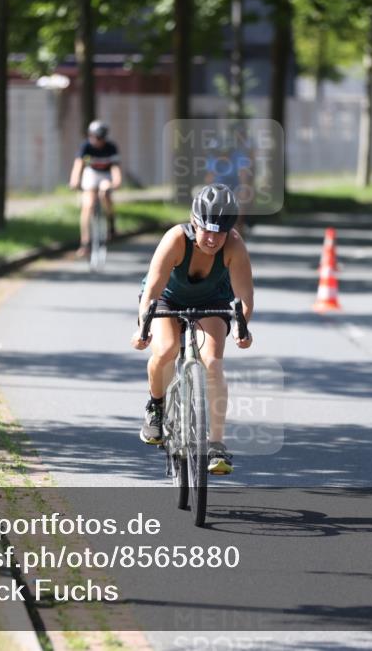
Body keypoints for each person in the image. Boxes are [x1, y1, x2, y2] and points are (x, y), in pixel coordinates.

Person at [131, 184, 254, 475]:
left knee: (212, 361)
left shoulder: (234, 246)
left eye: (220, 232)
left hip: (213, 301)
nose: (213, 239)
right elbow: (151, 292)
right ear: (194, 222)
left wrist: (241, 328)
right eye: (207, 230)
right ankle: (156, 406)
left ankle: (216, 444)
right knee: (166, 349)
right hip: (166, 298)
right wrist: (142, 328)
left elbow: (245, 299)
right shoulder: (175, 239)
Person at [69, 120, 122, 256]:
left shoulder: (111, 148)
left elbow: (115, 168)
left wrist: (116, 181)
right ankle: (85, 242)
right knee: (88, 205)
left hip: (105, 175)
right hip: (91, 173)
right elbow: (79, 164)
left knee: (105, 192)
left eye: (98, 138)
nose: (95, 140)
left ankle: (111, 224)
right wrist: (75, 180)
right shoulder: (86, 147)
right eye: (93, 136)